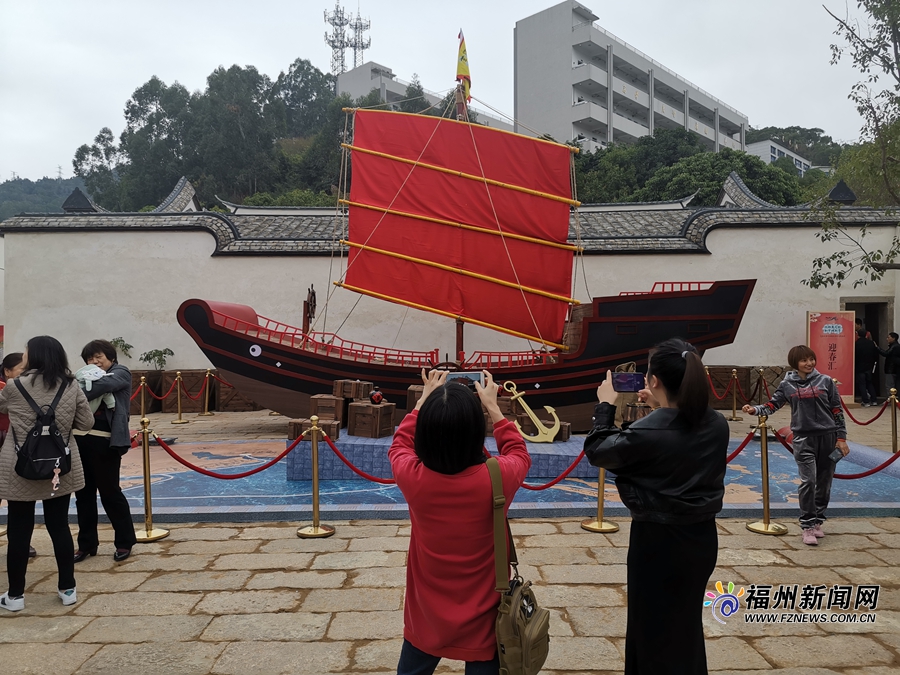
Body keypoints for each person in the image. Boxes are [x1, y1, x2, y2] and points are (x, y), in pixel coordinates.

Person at [584, 338, 728, 674]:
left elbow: (599, 449)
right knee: (685, 625)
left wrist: (606, 405)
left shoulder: (648, 433)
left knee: (650, 630)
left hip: (657, 543)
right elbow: (677, 432)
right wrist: (659, 407)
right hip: (701, 540)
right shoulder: (716, 425)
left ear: (653, 381)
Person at [389, 369, 530, 675]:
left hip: (427, 615)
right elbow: (518, 451)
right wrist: (493, 406)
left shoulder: (413, 478)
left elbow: (399, 444)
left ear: (425, 432)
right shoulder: (497, 478)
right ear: (475, 431)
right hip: (485, 619)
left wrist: (423, 400)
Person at [0, 336, 93, 611]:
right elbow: (86, 422)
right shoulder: (70, 383)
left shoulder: (15, 386)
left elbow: (3, 408)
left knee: (19, 530)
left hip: (21, 468)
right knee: (59, 526)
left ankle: (15, 596)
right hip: (58, 467)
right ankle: (67, 590)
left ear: (34, 356)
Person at [743, 345, 849, 545]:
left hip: (828, 437)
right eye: (804, 360)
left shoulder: (826, 381)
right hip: (802, 439)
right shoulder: (787, 384)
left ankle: (818, 520)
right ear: (795, 363)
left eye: (811, 359)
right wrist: (755, 410)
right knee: (808, 481)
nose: (809, 363)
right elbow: (773, 405)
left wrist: (841, 438)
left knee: (825, 482)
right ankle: (807, 526)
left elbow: (837, 410)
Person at [73, 339, 136, 563]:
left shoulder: (121, 373)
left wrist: (75, 389)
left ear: (110, 357)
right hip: (80, 440)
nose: (94, 362)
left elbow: (101, 387)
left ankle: (124, 541)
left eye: (98, 357)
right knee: (83, 495)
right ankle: (87, 544)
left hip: (106, 442)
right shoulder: (83, 377)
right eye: (90, 359)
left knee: (110, 493)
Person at [0, 353, 37, 559]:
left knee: (19, 501)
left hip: (18, 448)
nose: (27, 374)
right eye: (23, 370)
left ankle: (21, 544)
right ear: (7, 372)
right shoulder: (7, 389)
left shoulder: (27, 389)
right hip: (2, 443)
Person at [854, 329, 879, 406]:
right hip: (869, 367)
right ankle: (874, 400)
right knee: (869, 383)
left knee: (862, 384)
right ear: (866, 335)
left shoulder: (856, 344)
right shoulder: (871, 343)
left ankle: (865, 401)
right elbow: (875, 354)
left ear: (857, 335)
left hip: (859, 367)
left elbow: (855, 356)